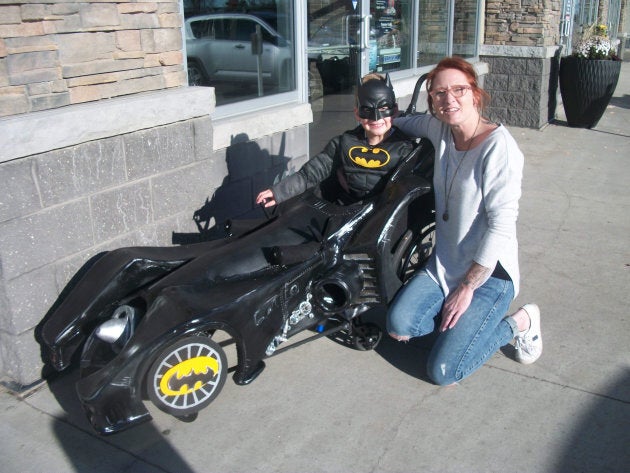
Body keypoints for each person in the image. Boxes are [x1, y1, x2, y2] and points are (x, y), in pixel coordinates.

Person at [387, 56, 542, 386]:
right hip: (445, 263)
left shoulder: (500, 149)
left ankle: (520, 322)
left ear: (475, 93)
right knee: (400, 326)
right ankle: (456, 326)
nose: (449, 99)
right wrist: (378, 118)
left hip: (489, 274)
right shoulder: (439, 128)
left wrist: (468, 287)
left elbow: (502, 227)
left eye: (458, 89)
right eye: (439, 93)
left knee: (444, 372)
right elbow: (407, 122)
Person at [256, 73, 416, 207]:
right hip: (346, 211)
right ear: (357, 113)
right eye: (367, 109)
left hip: (381, 219)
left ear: (394, 111)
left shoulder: (404, 148)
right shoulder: (344, 143)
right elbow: (312, 172)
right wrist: (279, 192)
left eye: (383, 109)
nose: (376, 118)